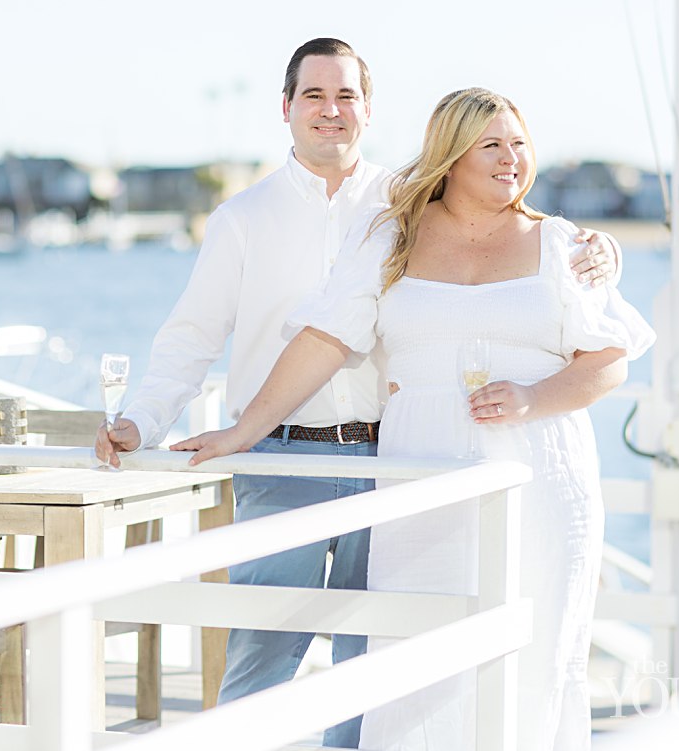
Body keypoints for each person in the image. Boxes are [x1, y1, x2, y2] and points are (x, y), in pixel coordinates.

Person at [95, 39, 621, 748]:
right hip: (289, 459)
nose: (331, 110)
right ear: (286, 108)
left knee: (382, 669)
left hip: (391, 458)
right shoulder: (260, 220)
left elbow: (576, 315)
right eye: (314, 95)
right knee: (262, 655)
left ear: (369, 111)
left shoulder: (409, 207)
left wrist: (600, 256)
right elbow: (210, 339)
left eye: (346, 96)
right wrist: (155, 422)